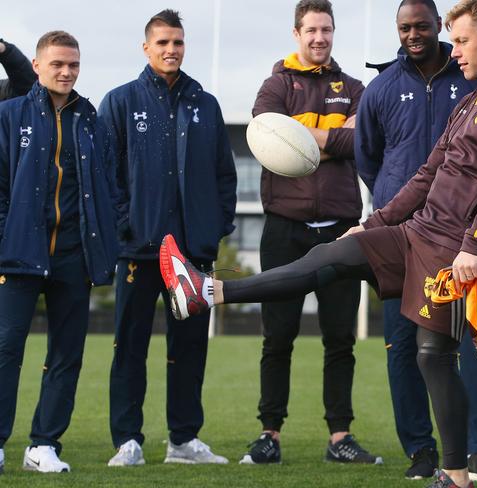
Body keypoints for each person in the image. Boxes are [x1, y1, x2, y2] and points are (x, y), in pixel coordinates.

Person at [160, 0, 477, 486]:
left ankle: (455, 474)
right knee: (331, 256)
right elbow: (426, 174)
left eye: (461, 41)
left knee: (434, 356)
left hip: (455, 251)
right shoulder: (475, 97)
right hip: (417, 233)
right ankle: (207, 292)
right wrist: (375, 223)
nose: (454, 52)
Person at [355, 0, 477, 482]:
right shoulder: (380, 88)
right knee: (402, 347)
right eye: (404, 27)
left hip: (461, 240)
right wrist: (395, 205)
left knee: (472, 344)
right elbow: (368, 158)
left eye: (422, 25)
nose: (413, 34)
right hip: (402, 237)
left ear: (439, 27)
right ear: (396, 30)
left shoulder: (473, 81)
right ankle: (420, 451)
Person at [235, 0, 380, 466]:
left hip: (340, 231)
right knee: (278, 337)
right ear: (296, 33)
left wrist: (306, 133)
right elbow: (266, 135)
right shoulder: (275, 85)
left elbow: (361, 141)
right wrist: (332, 133)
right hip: (285, 229)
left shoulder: (355, 87)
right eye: (311, 30)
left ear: (334, 33)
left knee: (340, 338)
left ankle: (340, 438)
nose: (320, 38)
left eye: (327, 30)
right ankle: (269, 435)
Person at [98, 9, 237, 467]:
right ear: (146, 47)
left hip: (193, 252)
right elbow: (106, 174)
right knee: (130, 346)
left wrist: (214, 229)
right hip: (139, 249)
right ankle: (128, 441)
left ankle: (183, 441)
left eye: (177, 42)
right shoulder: (120, 101)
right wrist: (124, 224)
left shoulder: (206, 103)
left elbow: (224, 174)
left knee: (190, 348)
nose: (171, 50)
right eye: (162, 43)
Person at [0, 31, 119, 474]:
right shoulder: (9, 115)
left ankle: (44, 445)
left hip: (75, 256)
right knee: (5, 349)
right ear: (36, 66)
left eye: (73, 65)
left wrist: (107, 237)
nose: (66, 72)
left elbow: (110, 183)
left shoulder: (91, 118)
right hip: (19, 255)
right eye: (57, 65)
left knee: (67, 353)